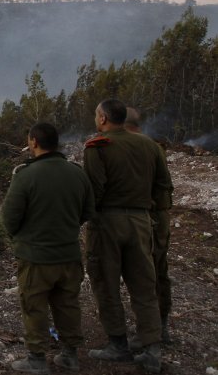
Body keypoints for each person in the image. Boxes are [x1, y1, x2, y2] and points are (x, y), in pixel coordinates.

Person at [83, 99, 173, 373]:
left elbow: (94, 191)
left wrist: (86, 218)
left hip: (107, 223)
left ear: (103, 119)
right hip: (142, 221)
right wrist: (155, 220)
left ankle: (118, 344)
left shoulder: (97, 147)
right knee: (144, 285)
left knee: (105, 283)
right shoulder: (150, 146)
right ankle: (152, 348)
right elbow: (163, 187)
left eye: (97, 115)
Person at [2, 123, 95, 374]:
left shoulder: (25, 175)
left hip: (35, 257)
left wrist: (21, 238)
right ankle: (70, 355)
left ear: (33, 142)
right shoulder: (77, 173)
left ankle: (36, 359)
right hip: (68, 254)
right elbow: (87, 211)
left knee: (34, 305)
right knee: (67, 304)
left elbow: (9, 217)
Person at [125, 107, 173, 345]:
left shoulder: (135, 147)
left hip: (145, 216)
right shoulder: (154, 147)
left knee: (143, 273)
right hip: (158, 216)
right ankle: (161, 327)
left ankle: (150, 333)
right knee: (158, 270)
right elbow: (166, 183)